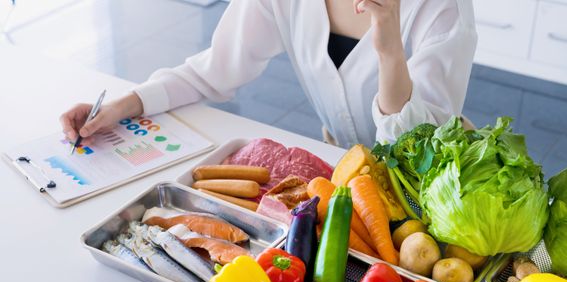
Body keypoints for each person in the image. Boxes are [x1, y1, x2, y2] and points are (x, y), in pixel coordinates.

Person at [60, 0, 477, 148]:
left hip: (427, 192)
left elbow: (419, 151)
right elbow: (213, 70)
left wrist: (389, 52)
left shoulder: (442, 9)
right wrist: (124, 104)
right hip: (344, 176)